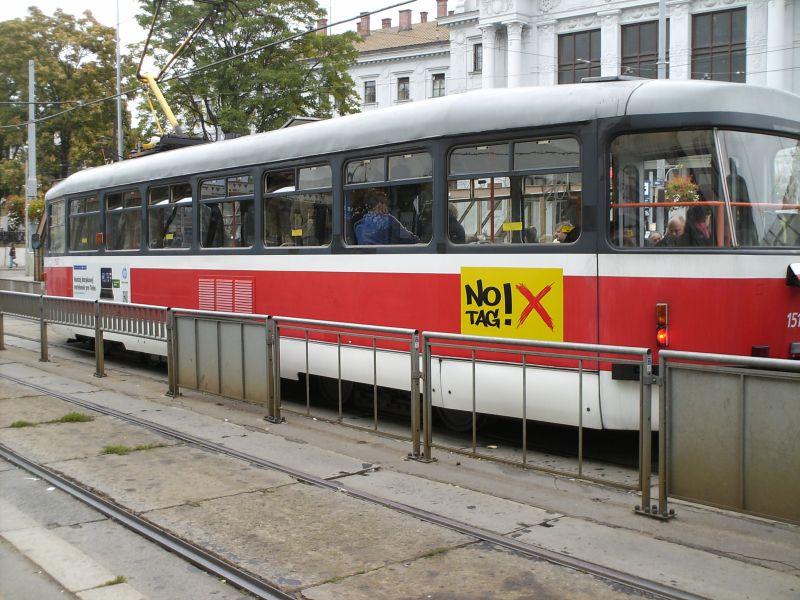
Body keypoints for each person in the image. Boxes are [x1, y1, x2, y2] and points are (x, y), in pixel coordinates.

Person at [353, 189, 419, 245]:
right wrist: (418, 240)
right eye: (386, 204)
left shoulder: (358, 225)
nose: (387, 207)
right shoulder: (388, 220)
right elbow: (407, 237)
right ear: (380, 205)